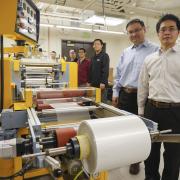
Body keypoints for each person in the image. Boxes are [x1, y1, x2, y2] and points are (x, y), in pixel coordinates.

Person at [112, 19, 158, 175]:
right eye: (130, 32)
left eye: (137, 30)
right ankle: (127, 154)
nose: (134, 34)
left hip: (144, 97)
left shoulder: (155, 50)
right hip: (125, 95)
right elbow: (118, 74)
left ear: (144, 29)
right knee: (126, 129)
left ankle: (136, 160)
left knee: (141, 131)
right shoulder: (126, 52)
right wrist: (116, 92)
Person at [138, 14, 180, 180]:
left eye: (171, 29)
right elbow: (143, 86)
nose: (167, 33)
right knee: (150, 151)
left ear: (178, 32)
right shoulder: (149, 59)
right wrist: (141, 112)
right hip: (152, 110)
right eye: (163, 29)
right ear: (158, 34)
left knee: (173, 155)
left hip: (176, 112)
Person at [88, 39, 110, 103]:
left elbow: (105, 69)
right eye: (95, 44)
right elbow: (90, 70)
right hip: (93, 84)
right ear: (93, 46)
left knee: (102, 103)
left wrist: (103, 82)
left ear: (101, 46)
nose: (96, 45)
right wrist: (89, 81)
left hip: (101, 85)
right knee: (94, 101)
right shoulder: (92, 57)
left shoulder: (105, 56)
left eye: (98, 44)